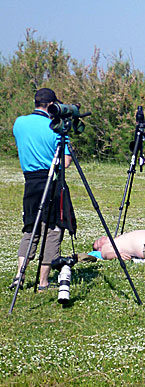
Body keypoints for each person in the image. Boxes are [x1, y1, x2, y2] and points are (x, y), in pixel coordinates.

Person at [10, 88, 75, 291]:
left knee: (31, 228)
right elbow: (64, 162)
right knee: (53, 229)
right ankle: (43, 281)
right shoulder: (54, 127)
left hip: (30, 181)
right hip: (51, 181)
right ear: (52, 105)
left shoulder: (19, 123)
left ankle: (19, 275)